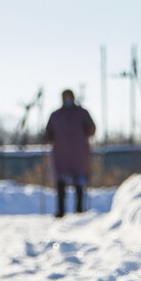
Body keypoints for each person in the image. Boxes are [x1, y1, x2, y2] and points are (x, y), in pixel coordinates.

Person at [44, 89, 96, 218]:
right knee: (60, 184)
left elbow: (92, 128)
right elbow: (48, 132)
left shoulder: (82, 113)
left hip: (78, 154)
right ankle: (60, 211)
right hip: (61, 154)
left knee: (79, 183)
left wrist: (88, 129)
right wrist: (48, 136)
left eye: (69, 97)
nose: (67, 99)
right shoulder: (56, 115)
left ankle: (79, 210)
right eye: (65, 97)